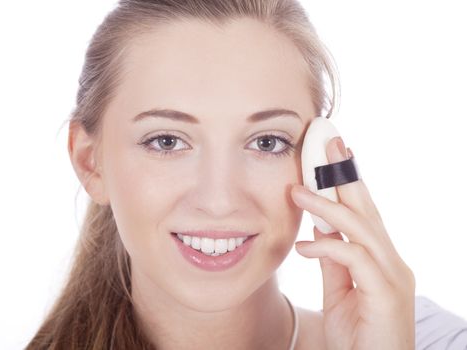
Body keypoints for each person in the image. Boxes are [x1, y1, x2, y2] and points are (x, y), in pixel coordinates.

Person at [26, 0, 467, 349]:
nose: (219, 200)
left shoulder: (424, 341)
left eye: (267, 142)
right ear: (90, 162)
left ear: (317, 162)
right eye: (166, 141)